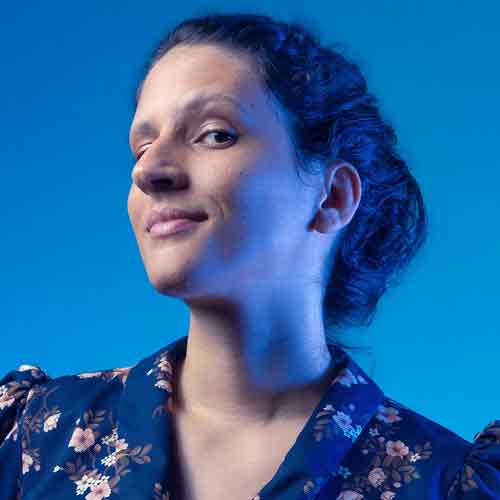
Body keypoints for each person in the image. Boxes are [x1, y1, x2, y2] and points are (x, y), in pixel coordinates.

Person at [1, 11, 498, 500]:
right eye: (142, 147)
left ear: (332, 197)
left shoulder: (443, 484)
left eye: (215, 135)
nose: (148, 171)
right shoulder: (32, 439)